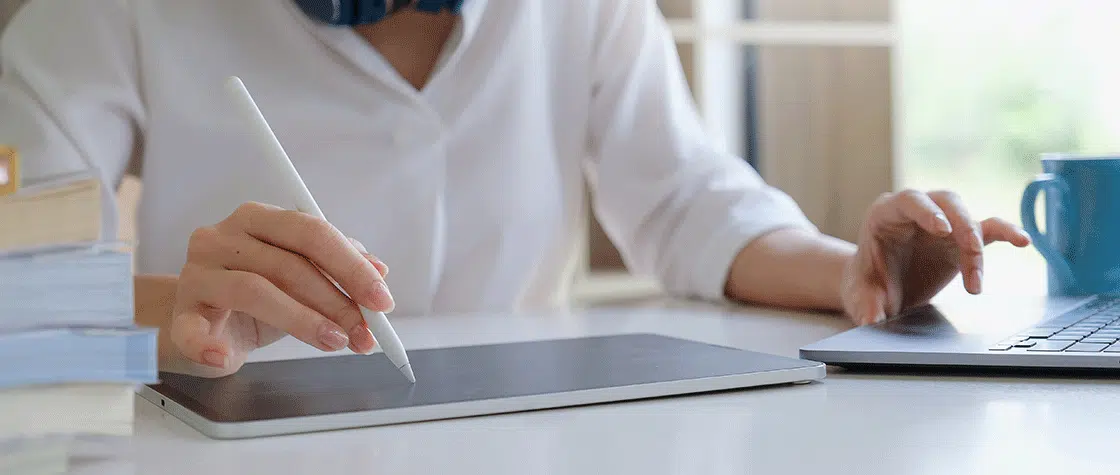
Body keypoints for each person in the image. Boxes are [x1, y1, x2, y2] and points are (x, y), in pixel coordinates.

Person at [0, 0, 1030, 378]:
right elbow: (17, 296)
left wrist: (847, 272)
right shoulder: (96, 14)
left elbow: (681, 196)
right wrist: (173, 309)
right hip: (232, 438)